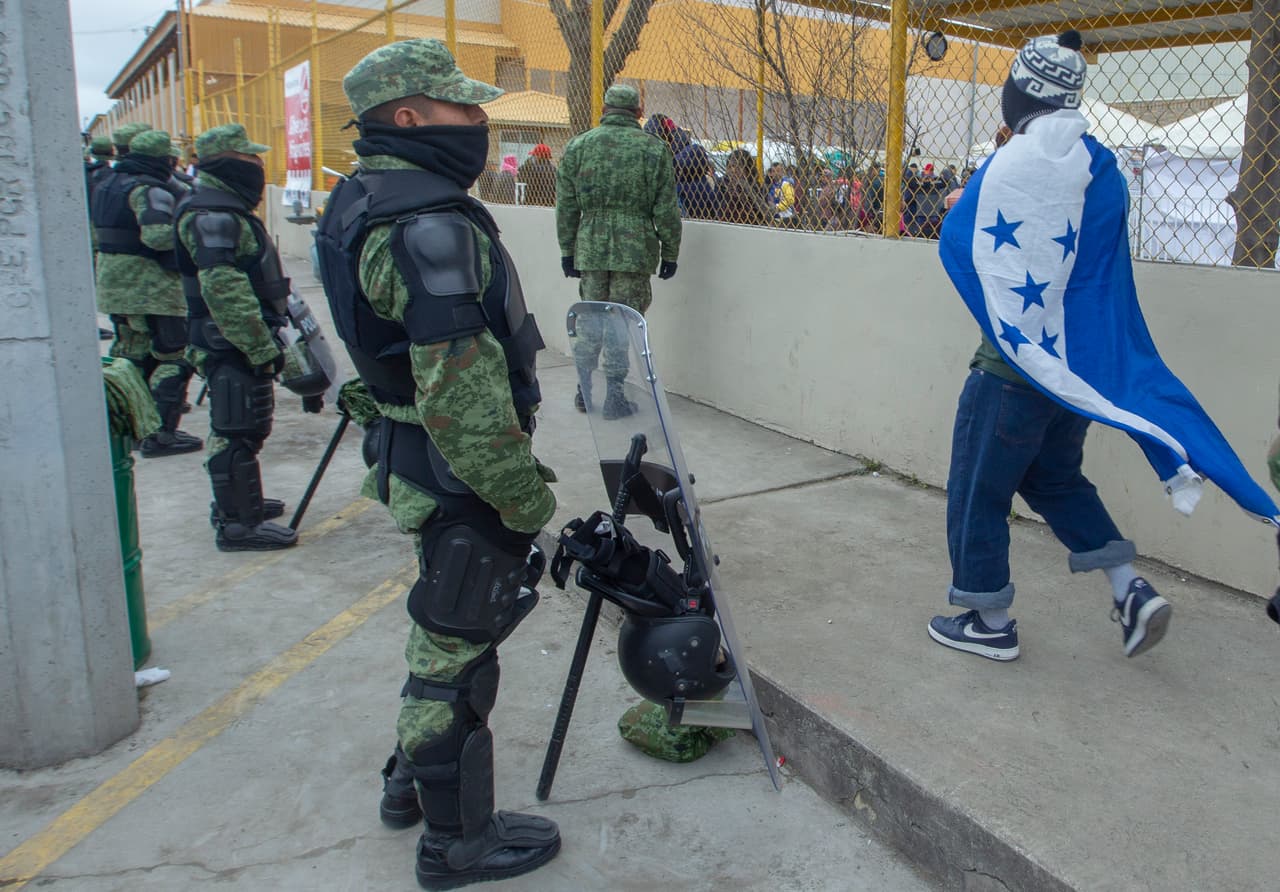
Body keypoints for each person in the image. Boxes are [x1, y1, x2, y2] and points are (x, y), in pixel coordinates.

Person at [926, 30, 1280, 662]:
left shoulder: (1011, 163)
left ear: (1020, 95)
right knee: (1055, 480)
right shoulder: (1101, 170)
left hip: (1008, 374)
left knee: (977, 490)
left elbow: (959, 232)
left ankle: (988, 620)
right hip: (1072, 376)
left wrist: (970, 206)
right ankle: (1130, 588)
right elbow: (1087, 270)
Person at [315, 39, 561, 889]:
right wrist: (523, 499)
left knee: (444, 628)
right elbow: (463, 393)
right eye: (463, 106)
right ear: (409, 115)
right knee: (455, 652)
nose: (478, 121)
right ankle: (457, 843)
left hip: (410, 451)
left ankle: (408, 784)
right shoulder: (429, 226)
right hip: (456, 468)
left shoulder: (359, 200)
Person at [174, 124, 297, 552]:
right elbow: (224, 290)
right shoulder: (213, 214)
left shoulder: (223, 208)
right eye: (250, 158)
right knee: (236, 428)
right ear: (225, 161)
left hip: (232, 339)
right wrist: (259, 346)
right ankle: (237, 525)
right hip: (228, 341)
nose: (258, 165)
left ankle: (241, 503)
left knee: (245, 425)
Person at [556, 82, 681, 417]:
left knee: (591, 319)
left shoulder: (579, 146)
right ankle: (614, 396)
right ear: (639, 112)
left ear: (604, 110)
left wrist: (567, 250)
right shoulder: (653, 150)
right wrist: (670, 252)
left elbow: (566, 205)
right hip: (635, 247)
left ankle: (585, 390)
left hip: (591, 246)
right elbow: (666, 209)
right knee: (621, 322)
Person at [93, 128, 204, 458]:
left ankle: (131, 427)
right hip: (151, 289)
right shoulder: (149, 189)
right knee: (175, 356)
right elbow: (157, 236)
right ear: (164, 159)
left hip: (114, 285)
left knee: (132, 356)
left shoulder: (107, 183)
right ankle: (161, 434)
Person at [716, 147, 770, 225]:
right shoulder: (722, 186)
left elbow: (763, 215)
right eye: (730, 167)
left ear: (747, 170)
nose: (733, 170)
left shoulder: (755, 188)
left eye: (738, 166)